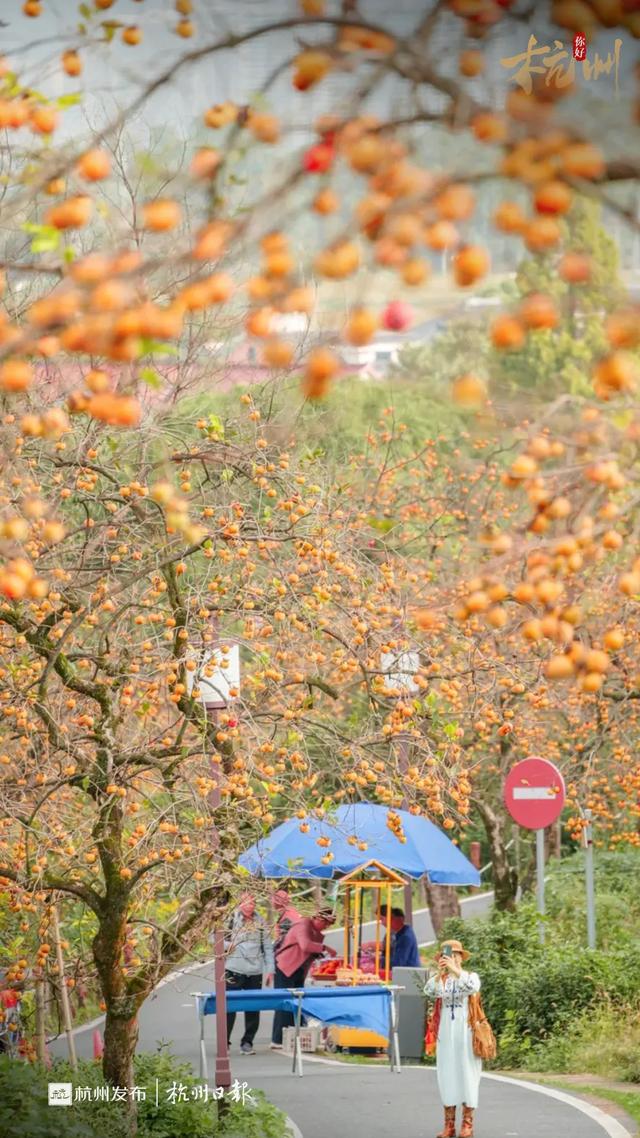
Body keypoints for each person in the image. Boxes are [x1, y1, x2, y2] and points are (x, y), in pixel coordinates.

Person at [424, 939, 482, 1138]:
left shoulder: (470, 976)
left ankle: (467, 1124)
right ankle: (449, 1125)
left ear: (460, 958)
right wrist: (441, 972)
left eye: (453, 955)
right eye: (445, 956)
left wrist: (455, 970)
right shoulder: (442, 980)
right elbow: (428, 990)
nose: (449, 959)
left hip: (466, 1031)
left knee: (468, 1072)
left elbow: (472, 987)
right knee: (446, 1072)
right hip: (446, 1031)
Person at [270, 907, 337, 1049]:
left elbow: (313, 950)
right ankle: (277, 1039)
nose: (325, 927)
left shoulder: (315, 931)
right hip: (286, 967)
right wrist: (324, 947)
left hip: (299, 970)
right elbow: (306, 945)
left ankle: (295, 1037)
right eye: (325, 923)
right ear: (319, 918)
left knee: (297, 1002)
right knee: (285, 1003)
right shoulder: (303, 924)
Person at [224, 893, 274, 1055]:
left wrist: (270, 970)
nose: (250, 906)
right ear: (239, 904)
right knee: (229, 1008)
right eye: (246, 903)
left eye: (252, 903)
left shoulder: (260, 922)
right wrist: (228, 944)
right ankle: (224, 1041)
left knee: (253, 1008)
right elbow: (213, 939)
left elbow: (267, 947)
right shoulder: (230, 919)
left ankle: (247, 1042)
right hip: (233, 969)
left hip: (255, 972)